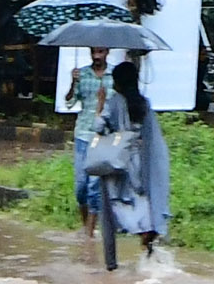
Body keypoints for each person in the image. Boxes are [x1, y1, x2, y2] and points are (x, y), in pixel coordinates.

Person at [96, 57, 171, 263]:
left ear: (117, 82)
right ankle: (149, 237)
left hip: (118, 162)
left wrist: (99, 106)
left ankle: (135, 234)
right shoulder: (143, 104)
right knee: (141, 199)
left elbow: (97, 128)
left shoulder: (113, 103)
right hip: (140, 162)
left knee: (117, 202)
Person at [68, 47, 117, 236]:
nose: (97, 56)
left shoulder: (113, 77)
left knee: (94, 186)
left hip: (103, 137)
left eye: (100, 52)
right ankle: (85, 225)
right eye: (94, 53)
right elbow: (69, 101)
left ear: (107, 53)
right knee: (81, 185)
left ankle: (89, 231)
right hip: (83, 135)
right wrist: (73, 83)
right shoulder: (83, 74)